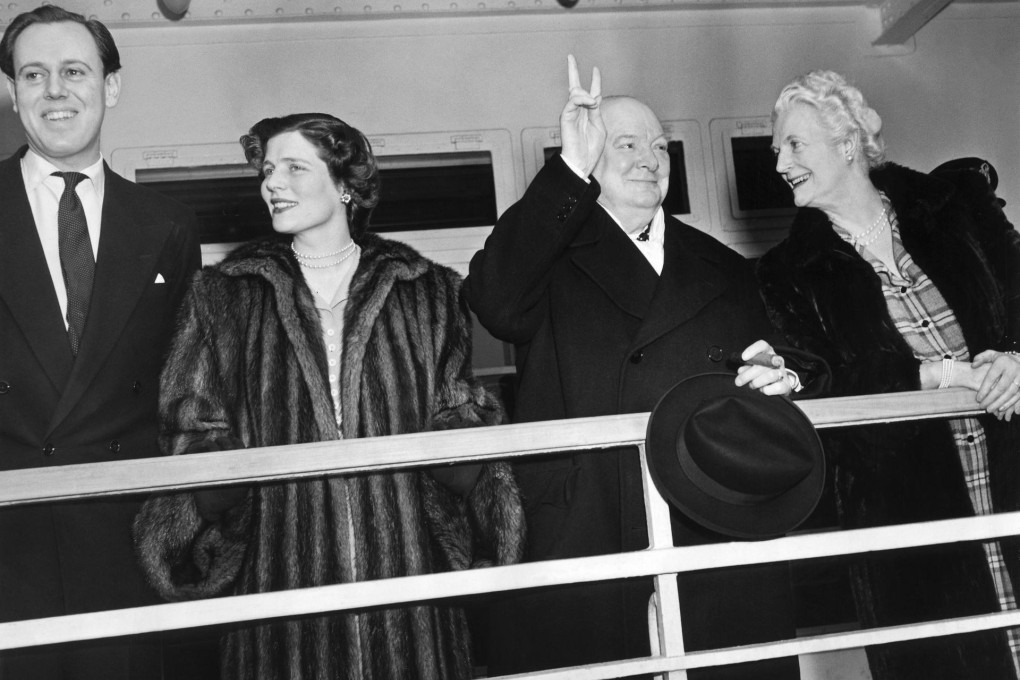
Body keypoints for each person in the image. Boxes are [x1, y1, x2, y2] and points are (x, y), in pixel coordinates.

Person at [133, 112, 526, 679]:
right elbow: (191, 429)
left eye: (295, 167)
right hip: (279, 575)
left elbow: (459, 412)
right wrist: (219, 484)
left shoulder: (426, 290)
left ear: (345, 184)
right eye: (268, 170)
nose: (273, 182)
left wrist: (460, 456)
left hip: (409, 576)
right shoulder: (223, 295)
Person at [467, 55, 809, 679]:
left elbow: (785, 354)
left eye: (659, 145)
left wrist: (781, 373)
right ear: (590, 160)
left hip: (710, 518)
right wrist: (567, 167)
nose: (651, 157)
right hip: (585, 520)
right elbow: (494, 300)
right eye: (625, 143)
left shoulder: (721, 265)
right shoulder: (549, 258)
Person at [758, 69, 1020, 680]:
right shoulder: (788, 272)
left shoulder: (955, 208)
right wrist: (936, 375)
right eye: (776, 151)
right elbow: (828, 387)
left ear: (847, 143)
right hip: (909, 517)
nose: (780, 163)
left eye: (794, 145)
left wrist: (1016, 359)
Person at [0, 6, 201, 678]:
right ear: (12, 91)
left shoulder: (165, 224)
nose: (55, 91)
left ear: (110, 85)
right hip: (10, 541)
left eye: (74, 71)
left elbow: (183, 389)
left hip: (125, 536)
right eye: (34, 74)